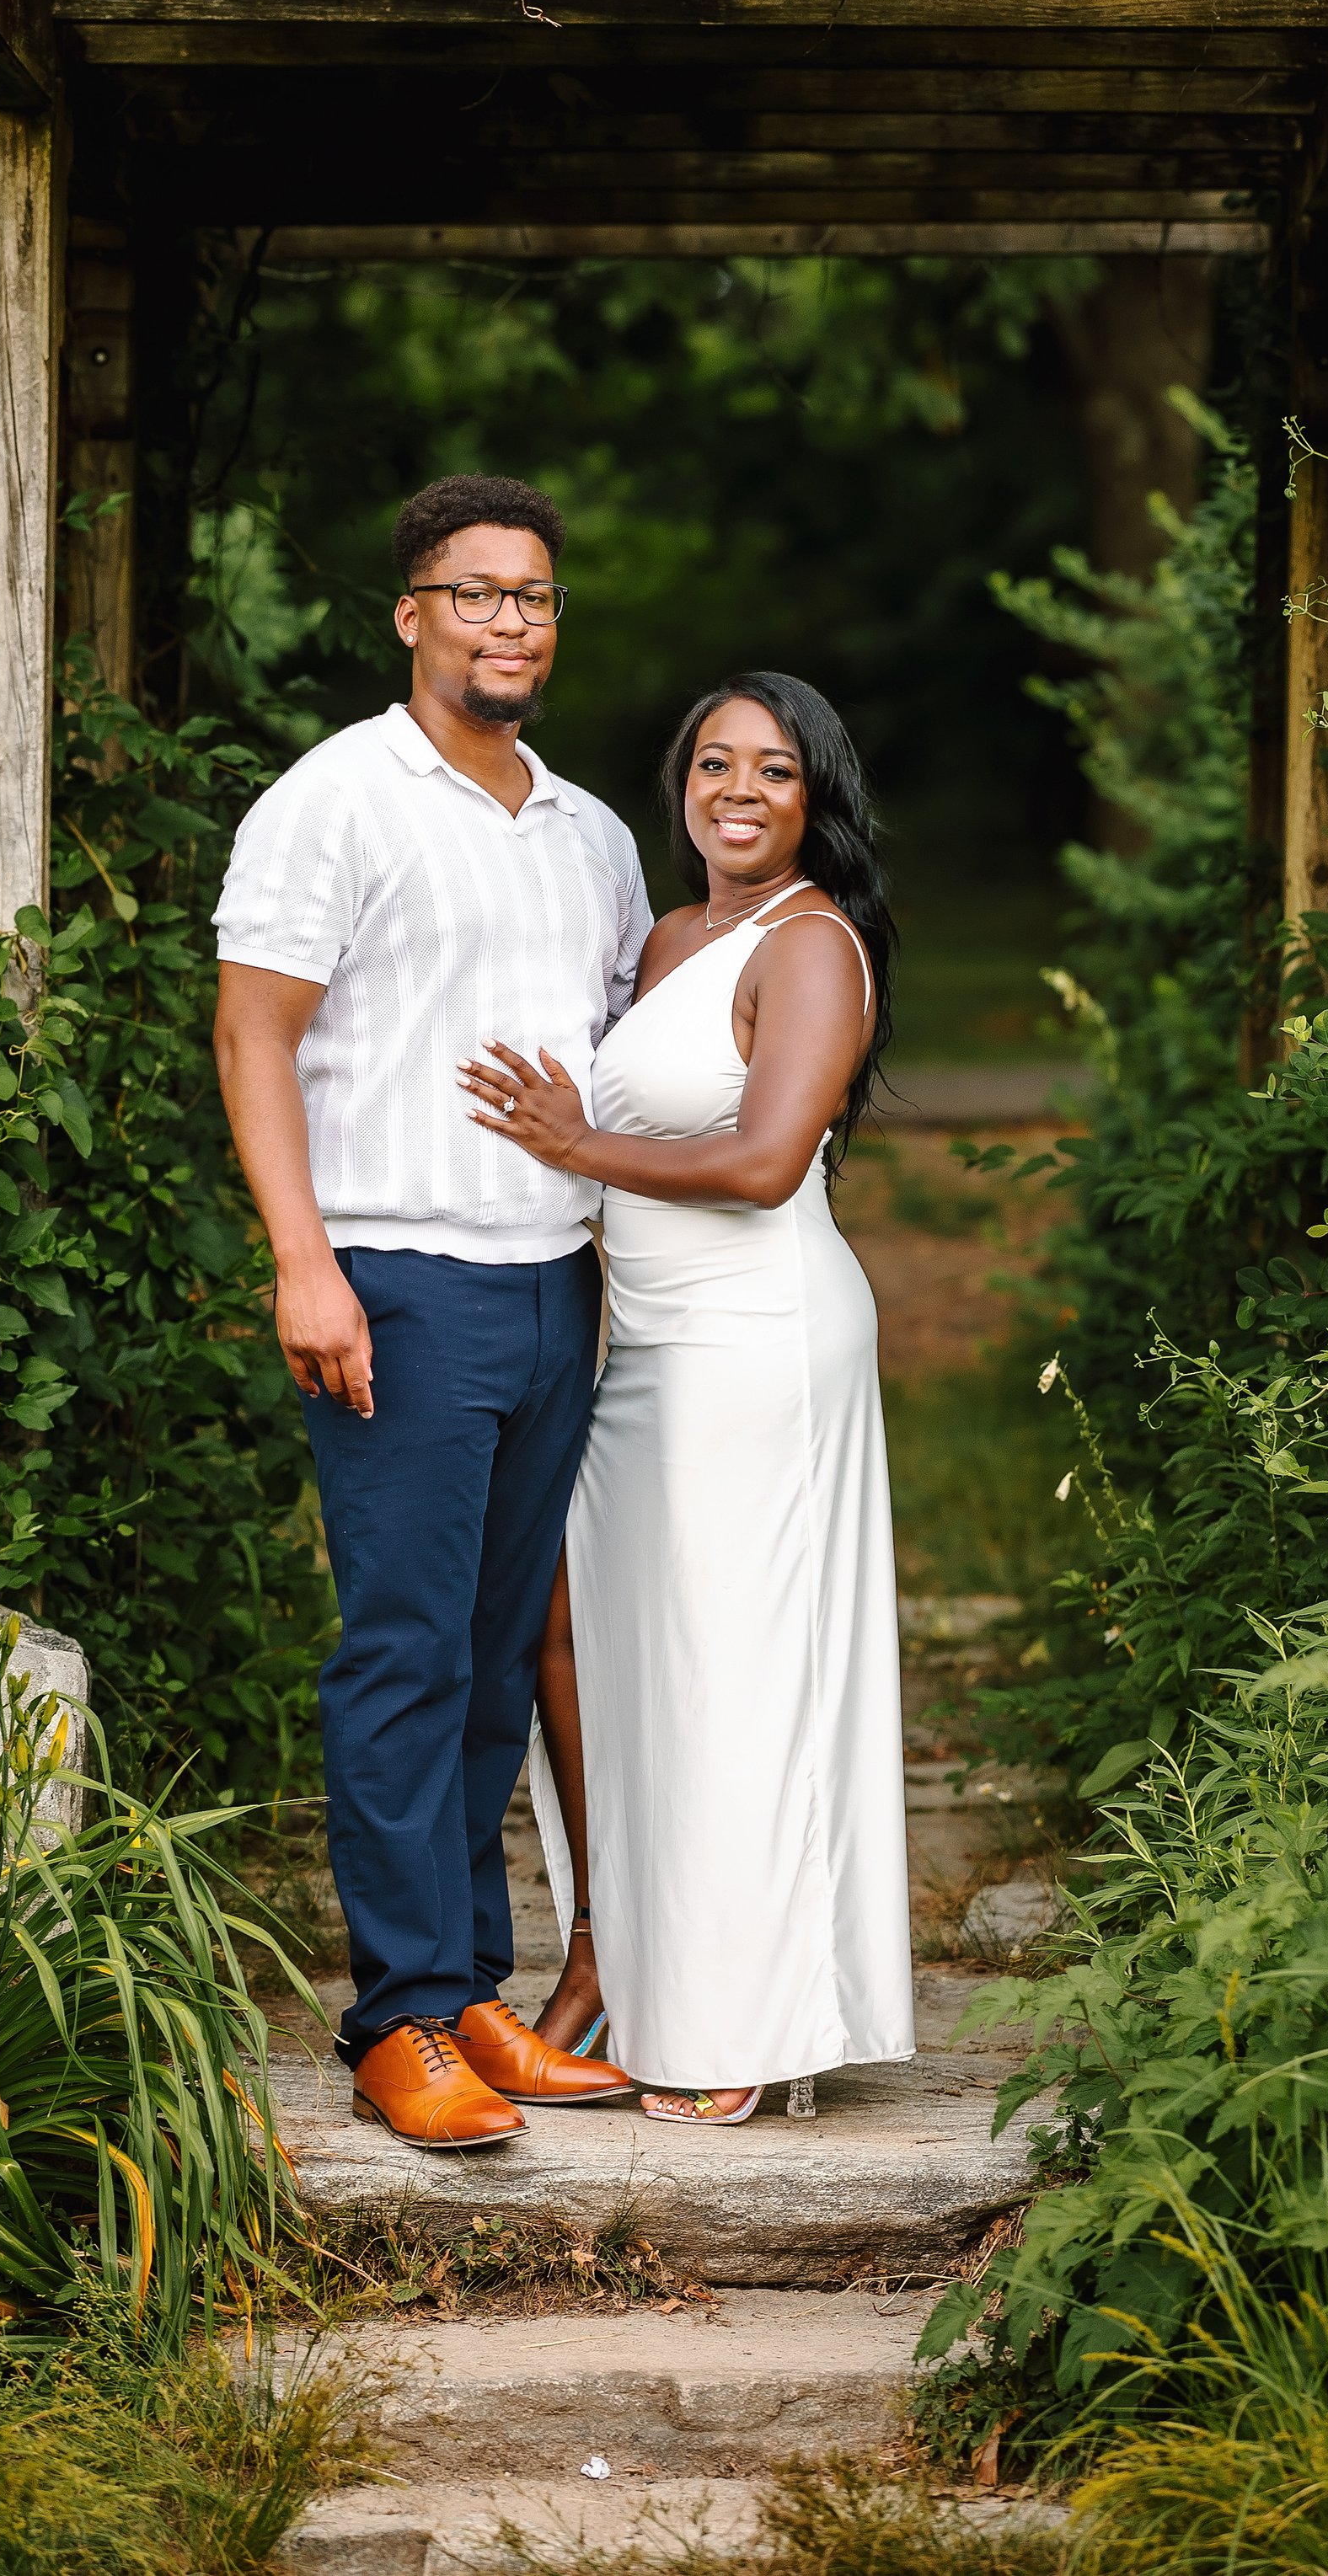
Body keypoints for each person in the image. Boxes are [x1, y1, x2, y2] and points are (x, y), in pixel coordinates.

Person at [212, 473, 643, 2149]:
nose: (509, 622)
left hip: (552, 1290)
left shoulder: (592, 834)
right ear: (411, 616)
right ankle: (395, 2017)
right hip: (392, 1282)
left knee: (488, 1662)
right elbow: (254, 1038)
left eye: (532, 597)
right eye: (477, 594)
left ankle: (468, 1985)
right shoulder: (332, 804)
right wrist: (300, 1259)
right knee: (398, 1657)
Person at [461, 672, 915, 2121]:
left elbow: (768, 1159)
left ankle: (740, 2016)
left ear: (813, 795)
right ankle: (611, 1948)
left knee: (734, 1663)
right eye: (712, 762)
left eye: (771, 770)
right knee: (573, 1631)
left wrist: (577, 1144)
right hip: (640, 1341)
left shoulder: (813, 945)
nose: (735, 789)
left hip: (756, 1337)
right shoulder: (669, 937)